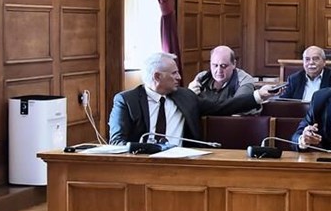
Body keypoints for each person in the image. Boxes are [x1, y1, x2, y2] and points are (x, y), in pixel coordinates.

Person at [110, 51, 282, 144]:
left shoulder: (185, 96)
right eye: (174, 73)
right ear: (157, 77)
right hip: (142, 164)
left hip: (183, 162)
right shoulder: (126, 101)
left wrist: (259, 95)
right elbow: (117, 142)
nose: (179, 77)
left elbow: (223, 106)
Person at [189, 45, 258, 115]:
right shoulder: (202, 78)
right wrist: (189, 94)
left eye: (223, 66)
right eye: (215, 65)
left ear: (234, 64)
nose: (219, 70)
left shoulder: (244, 80)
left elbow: (237, 107)